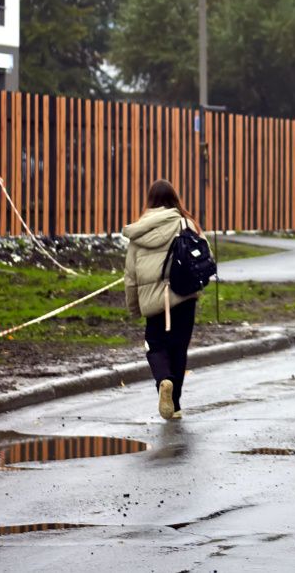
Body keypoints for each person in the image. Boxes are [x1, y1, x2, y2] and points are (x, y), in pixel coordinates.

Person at [122, 180, 203, 420]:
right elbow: (202, 254)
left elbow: (130, 276)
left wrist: (134, 308)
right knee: (179, 349)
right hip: (184, 296)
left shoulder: (139, 231)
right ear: (174, 199)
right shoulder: (185, 223)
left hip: (153, 300)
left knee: (155, 345)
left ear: (150, 201)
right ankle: (175, 405)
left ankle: (163, 381)